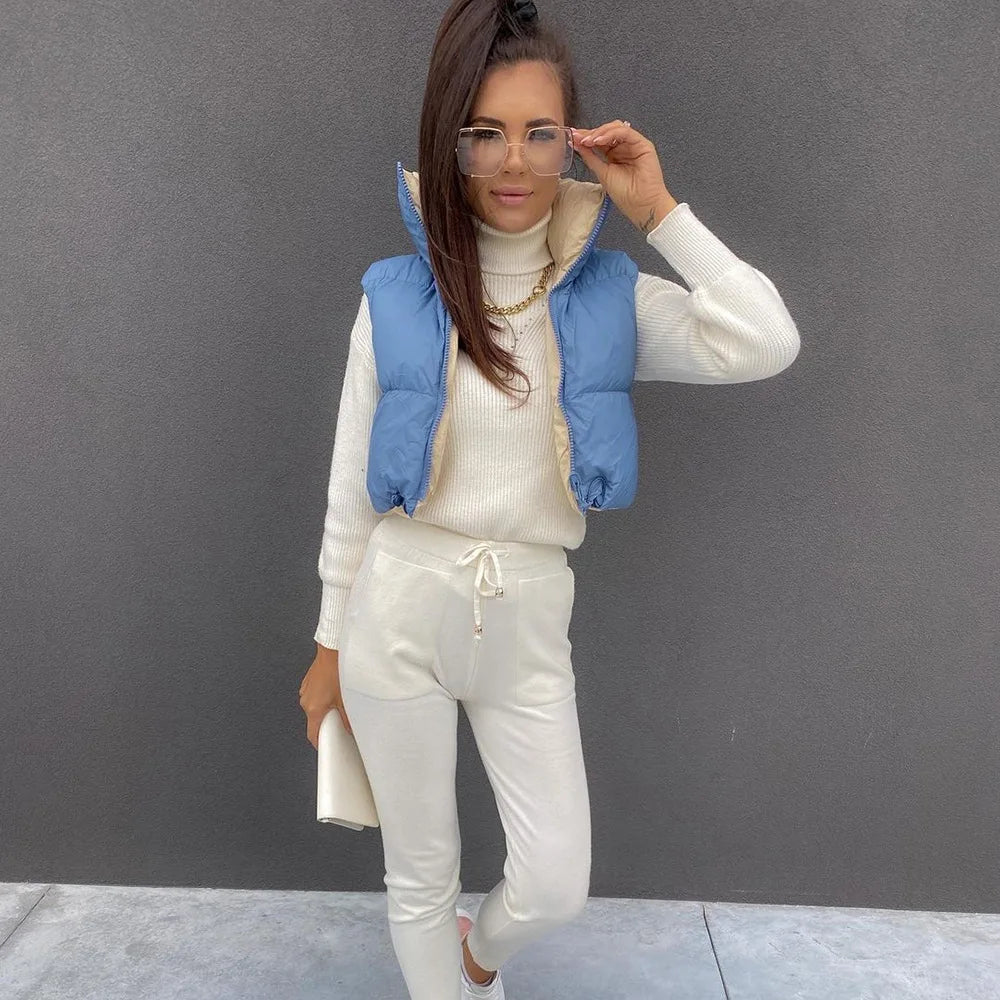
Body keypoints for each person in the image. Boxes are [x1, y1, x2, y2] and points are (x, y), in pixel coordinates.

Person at [298, 1, 801, 997]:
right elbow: (350, 485)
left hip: (526, 614)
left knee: (555, 881)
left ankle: (477, 958)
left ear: (573, 144)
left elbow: (765, 341)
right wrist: (327, 645)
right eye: (484, 133)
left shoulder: (608, 299)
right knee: (418, 873)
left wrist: (659, 212)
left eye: (538, 132)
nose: (513, 161)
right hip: (394, 606)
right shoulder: (396, 295)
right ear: (449, 145)